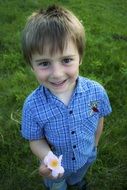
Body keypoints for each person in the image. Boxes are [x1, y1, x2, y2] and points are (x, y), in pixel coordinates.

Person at [21, 4, 112, 190]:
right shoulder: (32, 106)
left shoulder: (96, 92)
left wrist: (94, 145)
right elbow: (35, 139)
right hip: (56, 169)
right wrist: (47, 158)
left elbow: (98, 117)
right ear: (32, 66)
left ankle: (77, 182)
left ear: (80, 57)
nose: (57, 74)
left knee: (78, 178)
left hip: (87, 155)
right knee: (57, 186)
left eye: (66, 60)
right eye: (44, 63)